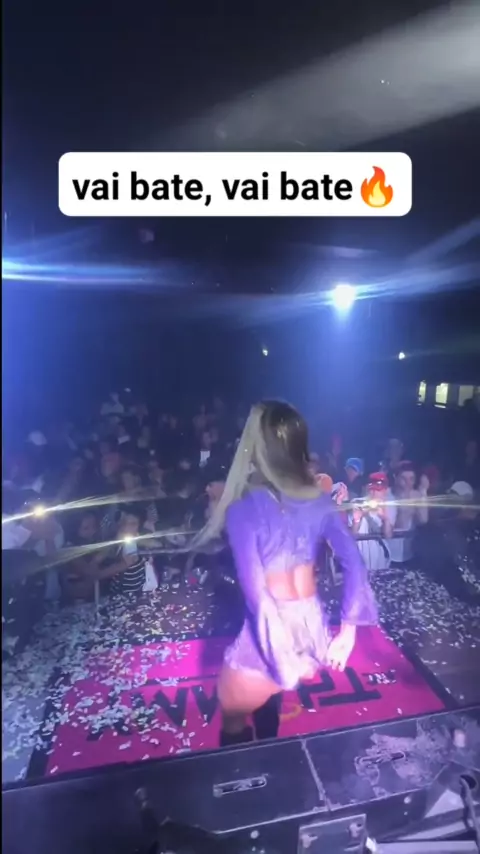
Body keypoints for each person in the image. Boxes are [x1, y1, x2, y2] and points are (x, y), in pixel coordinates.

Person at [191, 400, 378, 747]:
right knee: (268, 696)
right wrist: (348, 631)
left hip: (272, 631)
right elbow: (354, 561)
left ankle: (251, 771)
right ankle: (271, 752)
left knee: (231, 711)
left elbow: (258, 596)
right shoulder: (319, 500)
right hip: (311, 628)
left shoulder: (244, 508)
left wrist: (283, 661)